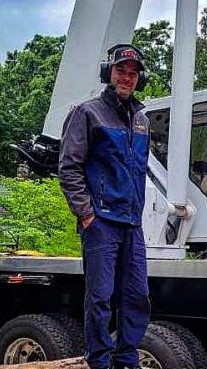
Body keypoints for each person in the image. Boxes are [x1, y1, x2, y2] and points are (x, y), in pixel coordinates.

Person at [58, 44, 151, 369]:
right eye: (121, 71)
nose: (127, 77)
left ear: (139, 78)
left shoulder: (141, 121)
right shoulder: (88, 113)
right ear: (108, 74)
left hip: (132, 224)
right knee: (100, 298)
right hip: (101, 224)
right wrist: (86, 213)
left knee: (137, 296)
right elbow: (69, 168)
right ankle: (98, 361)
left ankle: (127, 359)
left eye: (133, 73)